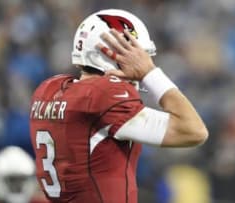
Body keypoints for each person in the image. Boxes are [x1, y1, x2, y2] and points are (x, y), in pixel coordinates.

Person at [29, 9, 208, 203]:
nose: (144, 61)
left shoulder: (49, 89)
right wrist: (150, 73)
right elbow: (193, 131)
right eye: (138, 55)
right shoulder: (103, 94)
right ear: (113, 54)